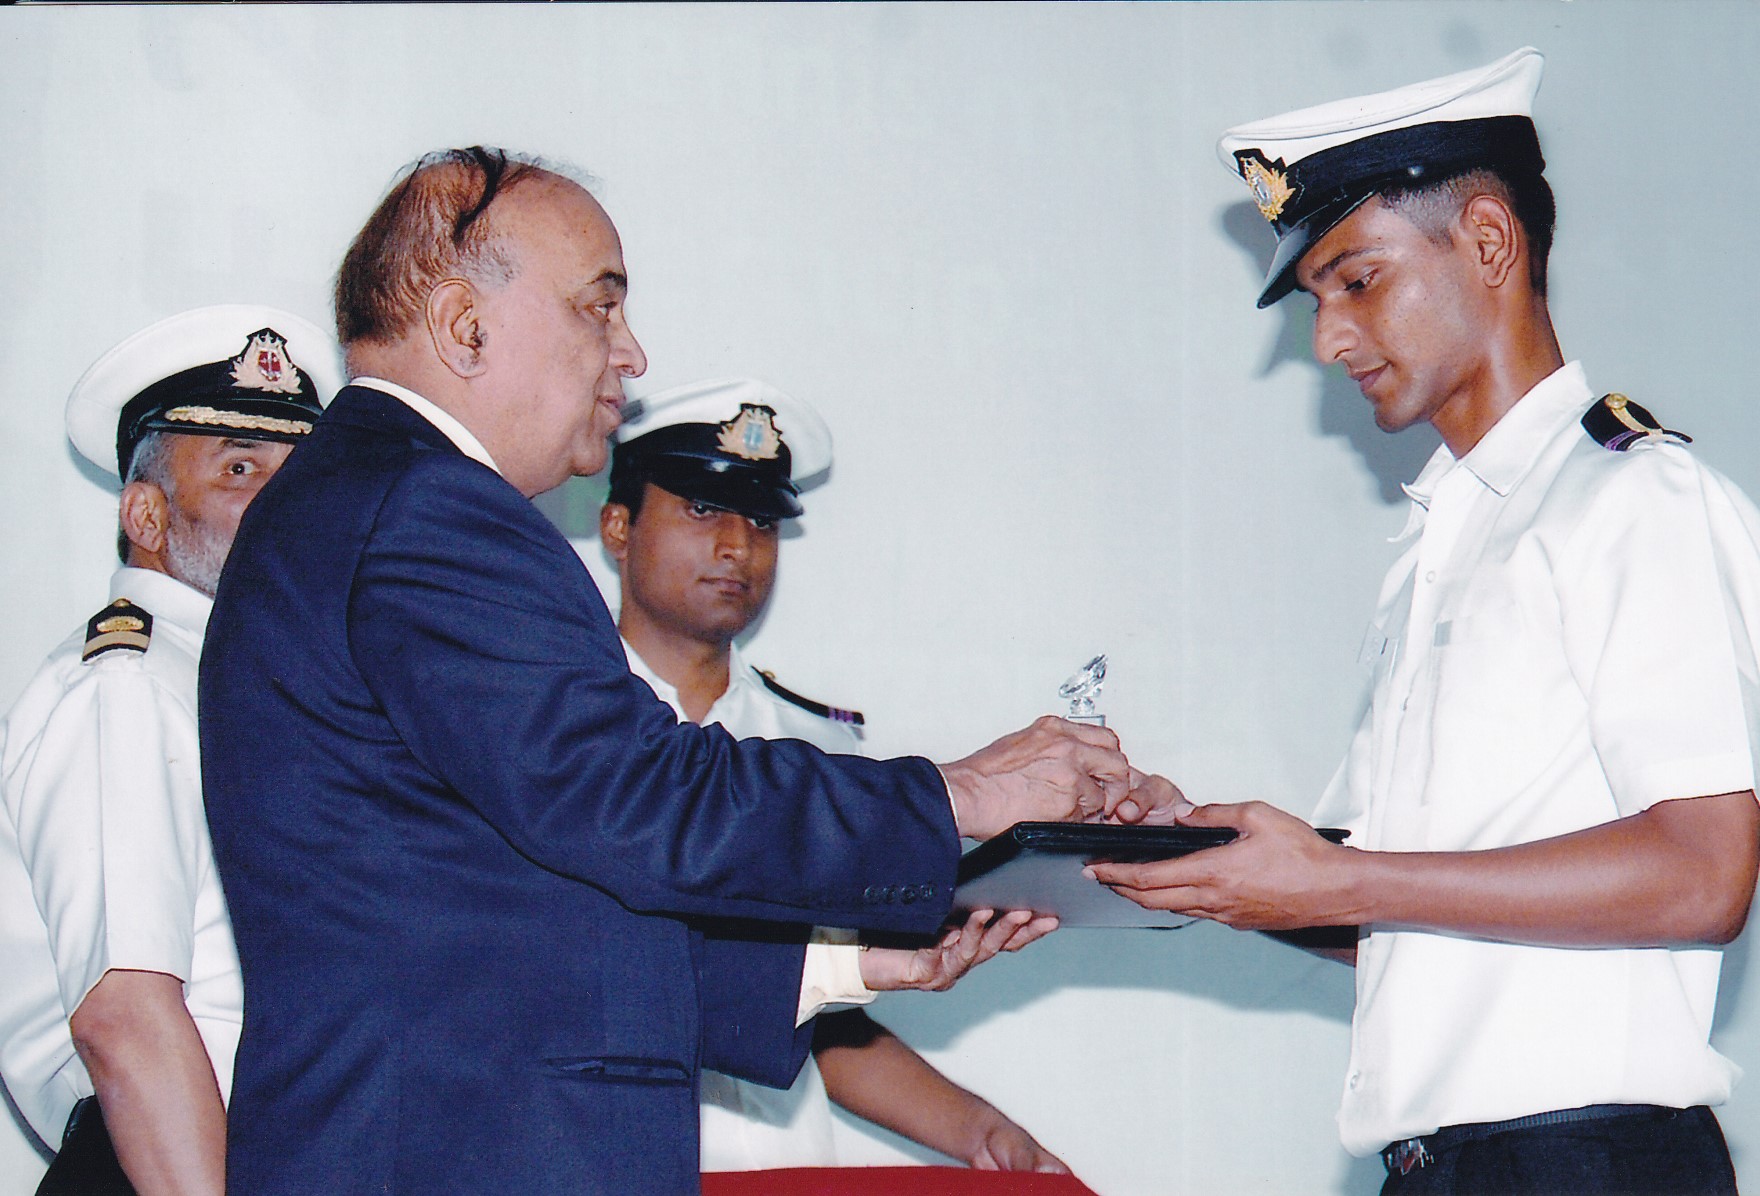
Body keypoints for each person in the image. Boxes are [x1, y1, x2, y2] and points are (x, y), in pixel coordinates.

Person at [198, 147, 1173, 1194]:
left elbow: (492, 924)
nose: (630, 353)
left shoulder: (365, 497)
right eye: (598, 307)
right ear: (463, 324)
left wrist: (843, 964)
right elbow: (639, 794)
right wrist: (962, 793)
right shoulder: (431, 508)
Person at [1091, 47, 1760, 1194]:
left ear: (1488, 242)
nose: (1327, 340)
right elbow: (1389, 892)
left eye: (1355, 281)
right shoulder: (1441, 543)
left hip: (1584, 1161)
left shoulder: (1630, 499)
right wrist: (1207, 855)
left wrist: (1345, 882)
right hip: (1440, 1168)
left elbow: (1703, 872)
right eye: (1315, 300)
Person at [601, 376, 1072, 1176]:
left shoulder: (821, 756)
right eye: (703, 509)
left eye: (762, 521)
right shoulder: (560, 737)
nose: (737, 547)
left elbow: (818, 1009)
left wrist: (977, 1131)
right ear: (619, 526)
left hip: (788, 1169)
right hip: (613, 1163)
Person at [0, 305, 341, 1196]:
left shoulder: (254, 685)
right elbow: (125, 1018)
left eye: (301, 479)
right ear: (146, 515)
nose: (283, 509)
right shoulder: (130, 686)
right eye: (240, 470)